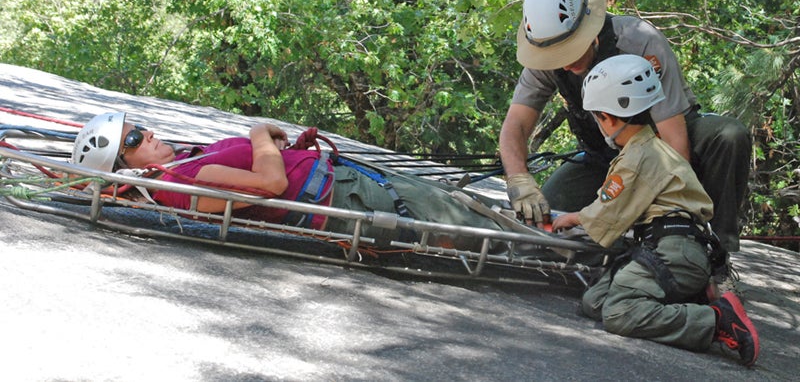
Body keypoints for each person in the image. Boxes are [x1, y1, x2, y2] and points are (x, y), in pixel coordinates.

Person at [500, 0, 751, 256]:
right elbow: (517, 124)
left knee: (729, 136)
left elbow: (675, 146)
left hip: (663, 145)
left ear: (589, 30)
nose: (564, 63)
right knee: (545, 225)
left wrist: (655, 213)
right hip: (604, 157)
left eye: (570, 50)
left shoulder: (639, 40)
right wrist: (519, 180)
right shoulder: (545, 55)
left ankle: (712, 252)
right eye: (556, 56)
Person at [551, 54, 759, 366]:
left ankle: (715, 320)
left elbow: (606, 216)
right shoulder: (652, 148)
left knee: (619, 313)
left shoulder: (636, 160)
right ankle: (689, 297)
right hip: (671, 249)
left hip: (675, 252)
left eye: (596, 117)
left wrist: (567, 218)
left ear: (607, 117)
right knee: (595, 301)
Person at [71, 112, 511, 251]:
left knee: (464, 203)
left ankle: (548, 228)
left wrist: (283, 147)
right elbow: (270, 184)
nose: (146, 132)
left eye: (140, 127)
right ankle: (550, 243)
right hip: (351, 198)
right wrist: (260, 134)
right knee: (473, 222)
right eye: (133, 138)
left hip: (348, 180)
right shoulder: (182, 182)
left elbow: (269, 170)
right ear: (126, 166)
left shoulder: (186, 158)